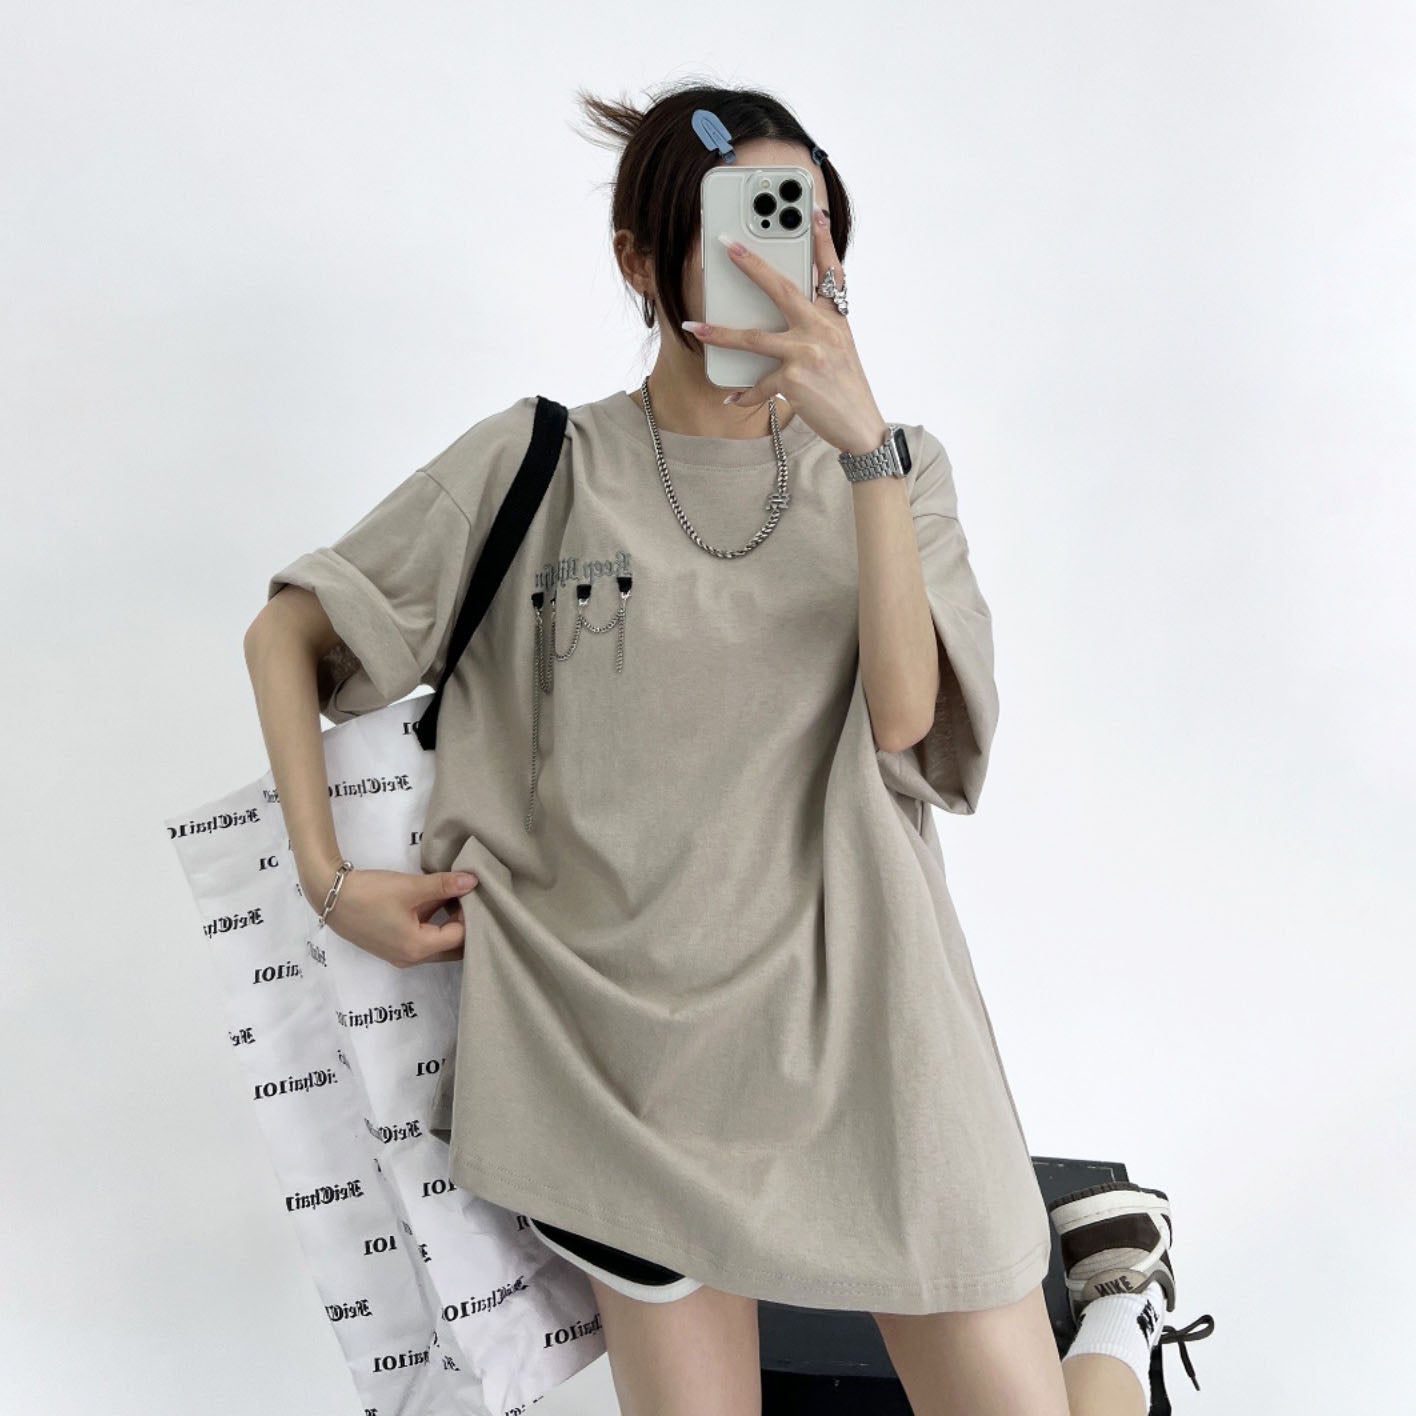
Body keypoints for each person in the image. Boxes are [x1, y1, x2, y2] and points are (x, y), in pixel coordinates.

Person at [244, 81, 1213, 1416]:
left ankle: (1112, 1296)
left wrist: (863, 454)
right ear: (641, 260)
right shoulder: (538, 464)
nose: (788, 262)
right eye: (743, 226)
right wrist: (331, 883)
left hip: (872, 1031)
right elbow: (290, 633)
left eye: (808, 225)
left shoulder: (898, 470)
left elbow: (904, 720)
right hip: (615, 1067)